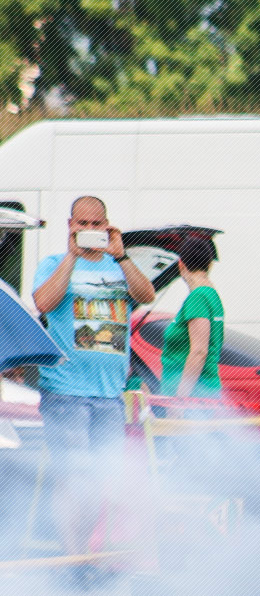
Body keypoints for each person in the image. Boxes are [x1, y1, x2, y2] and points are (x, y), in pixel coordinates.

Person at [31, 195, 155, 558]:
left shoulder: (119, 266)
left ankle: (81, 552)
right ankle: (73, 557)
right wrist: (71, 256)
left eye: (95, 223)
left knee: (101, 479)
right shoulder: (54, 263)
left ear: (107, 225)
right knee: (74, 477)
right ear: (70, 225)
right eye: (81, 223)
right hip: (66, 391)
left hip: (109, 394)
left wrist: (122, 255)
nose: (88, 229)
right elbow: (43, 303)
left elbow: (146, 295)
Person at [160, 235, 225, 398]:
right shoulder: (211, 295)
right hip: (204, 392)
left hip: (193, 396)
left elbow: (199, 351)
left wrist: (181, 400)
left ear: (181, 264)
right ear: (210, 264)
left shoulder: (198, 297)